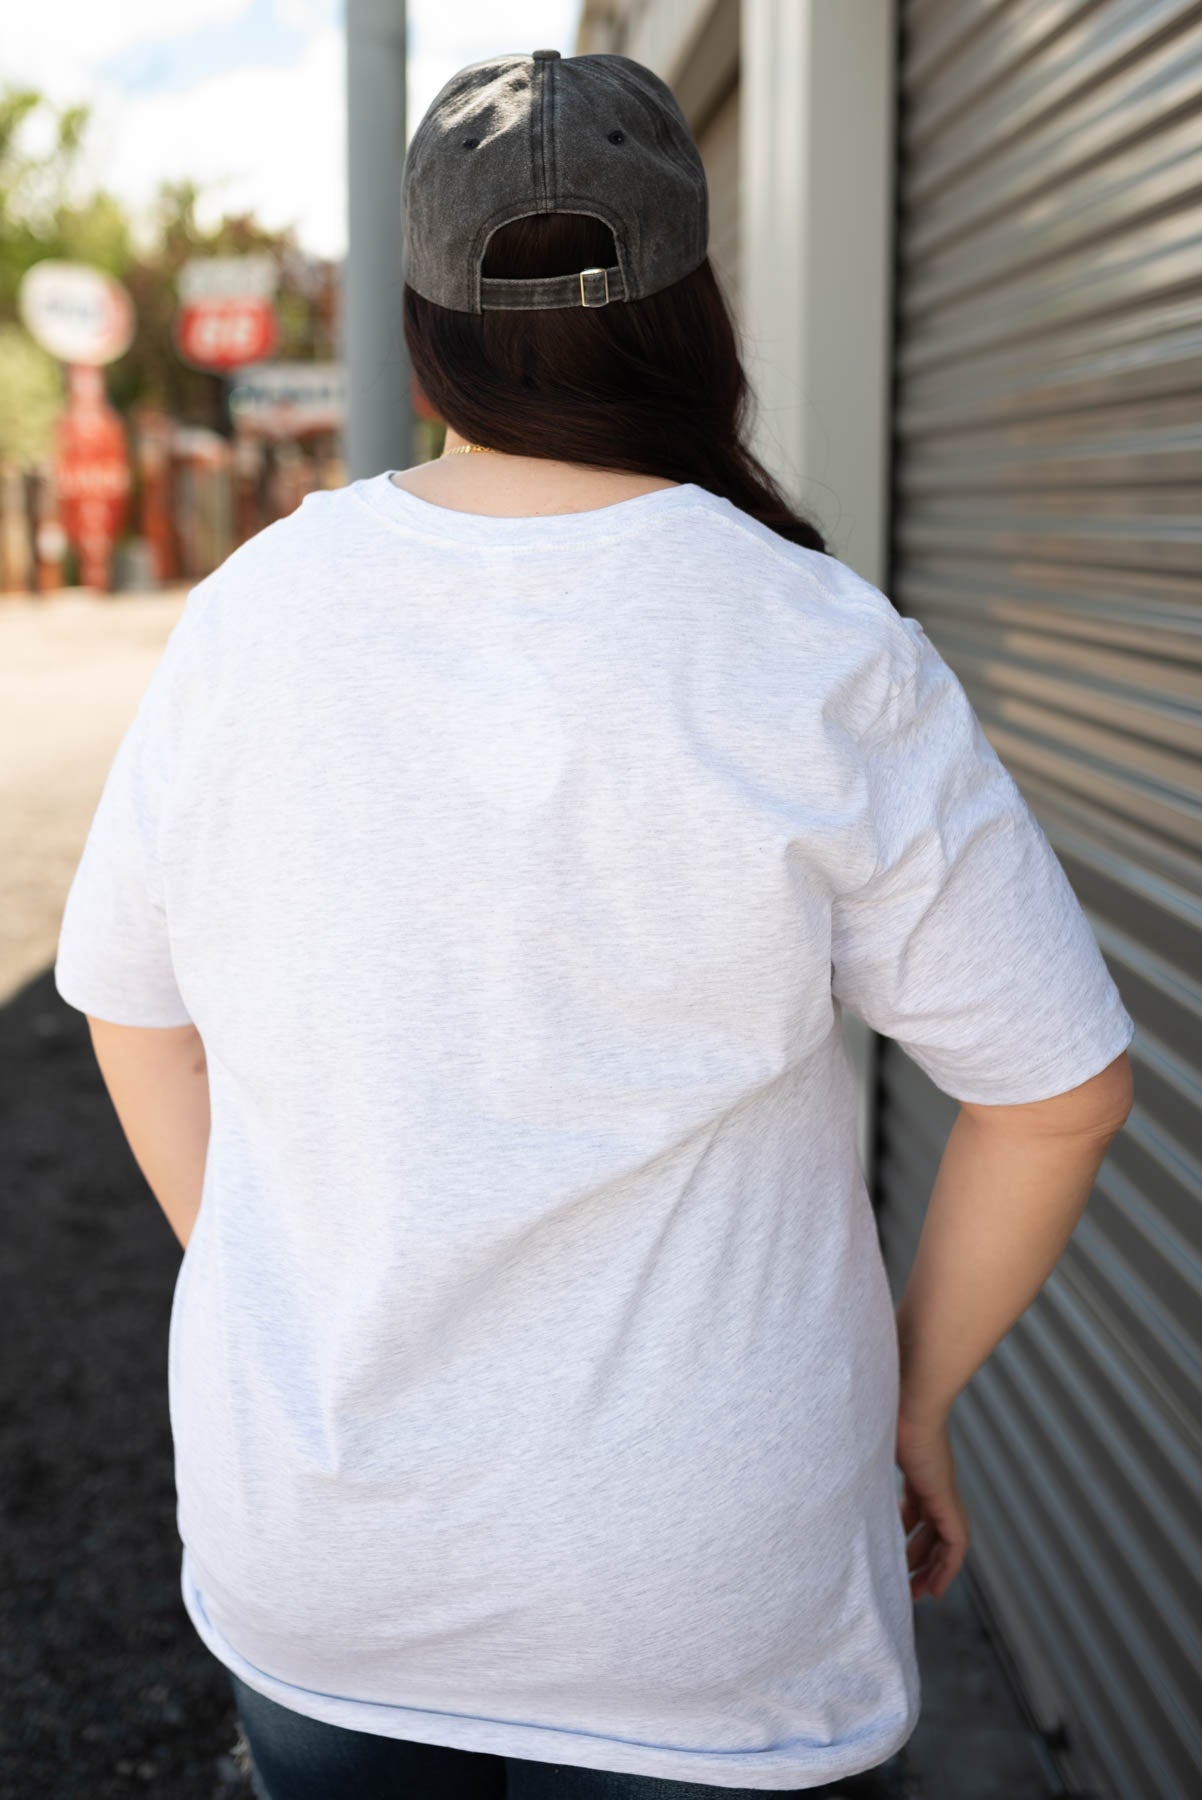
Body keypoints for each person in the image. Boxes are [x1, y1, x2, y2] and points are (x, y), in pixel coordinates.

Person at [53, 45, 1135, 1800]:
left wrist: (281, 1286)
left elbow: (129, 1008)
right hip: (702, 1592)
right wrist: (906, 1406)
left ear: (424, 320)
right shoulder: (817, 645)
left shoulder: (255, 616)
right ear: (695, 311)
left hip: (330, 1550)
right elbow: (1058, 1093)